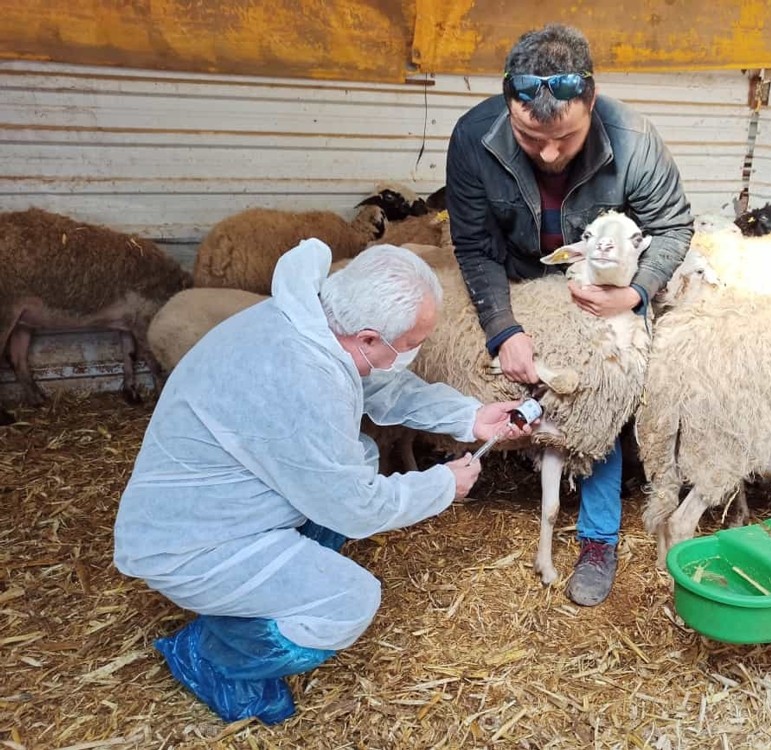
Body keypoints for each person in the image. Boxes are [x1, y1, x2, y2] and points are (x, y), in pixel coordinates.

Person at [113, 239, 532, 725]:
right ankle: (210, 656)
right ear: (369, 338)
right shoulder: (301, 378)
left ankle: (261, 597)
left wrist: (469, 417)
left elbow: (379, 384)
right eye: (411, 345)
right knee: (349, 602)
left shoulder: (313, 321)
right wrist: (441, 486)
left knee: (361, 454)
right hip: (196, 542)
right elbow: (354, 507)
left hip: (222, 498)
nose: (413, 353)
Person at [445, 23, 694, 606]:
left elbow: (673, 226)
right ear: (508, 105)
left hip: (602, 284)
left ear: (592, 99)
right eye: (530, 138)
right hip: (521, 277)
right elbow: (474, 246)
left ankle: (598, 538)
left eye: (566, 137)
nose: (551, 153)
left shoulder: (634, 140)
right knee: (508, 377)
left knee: (600, 393)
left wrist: (636, 293)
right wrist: (504, 329)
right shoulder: (474, 137)